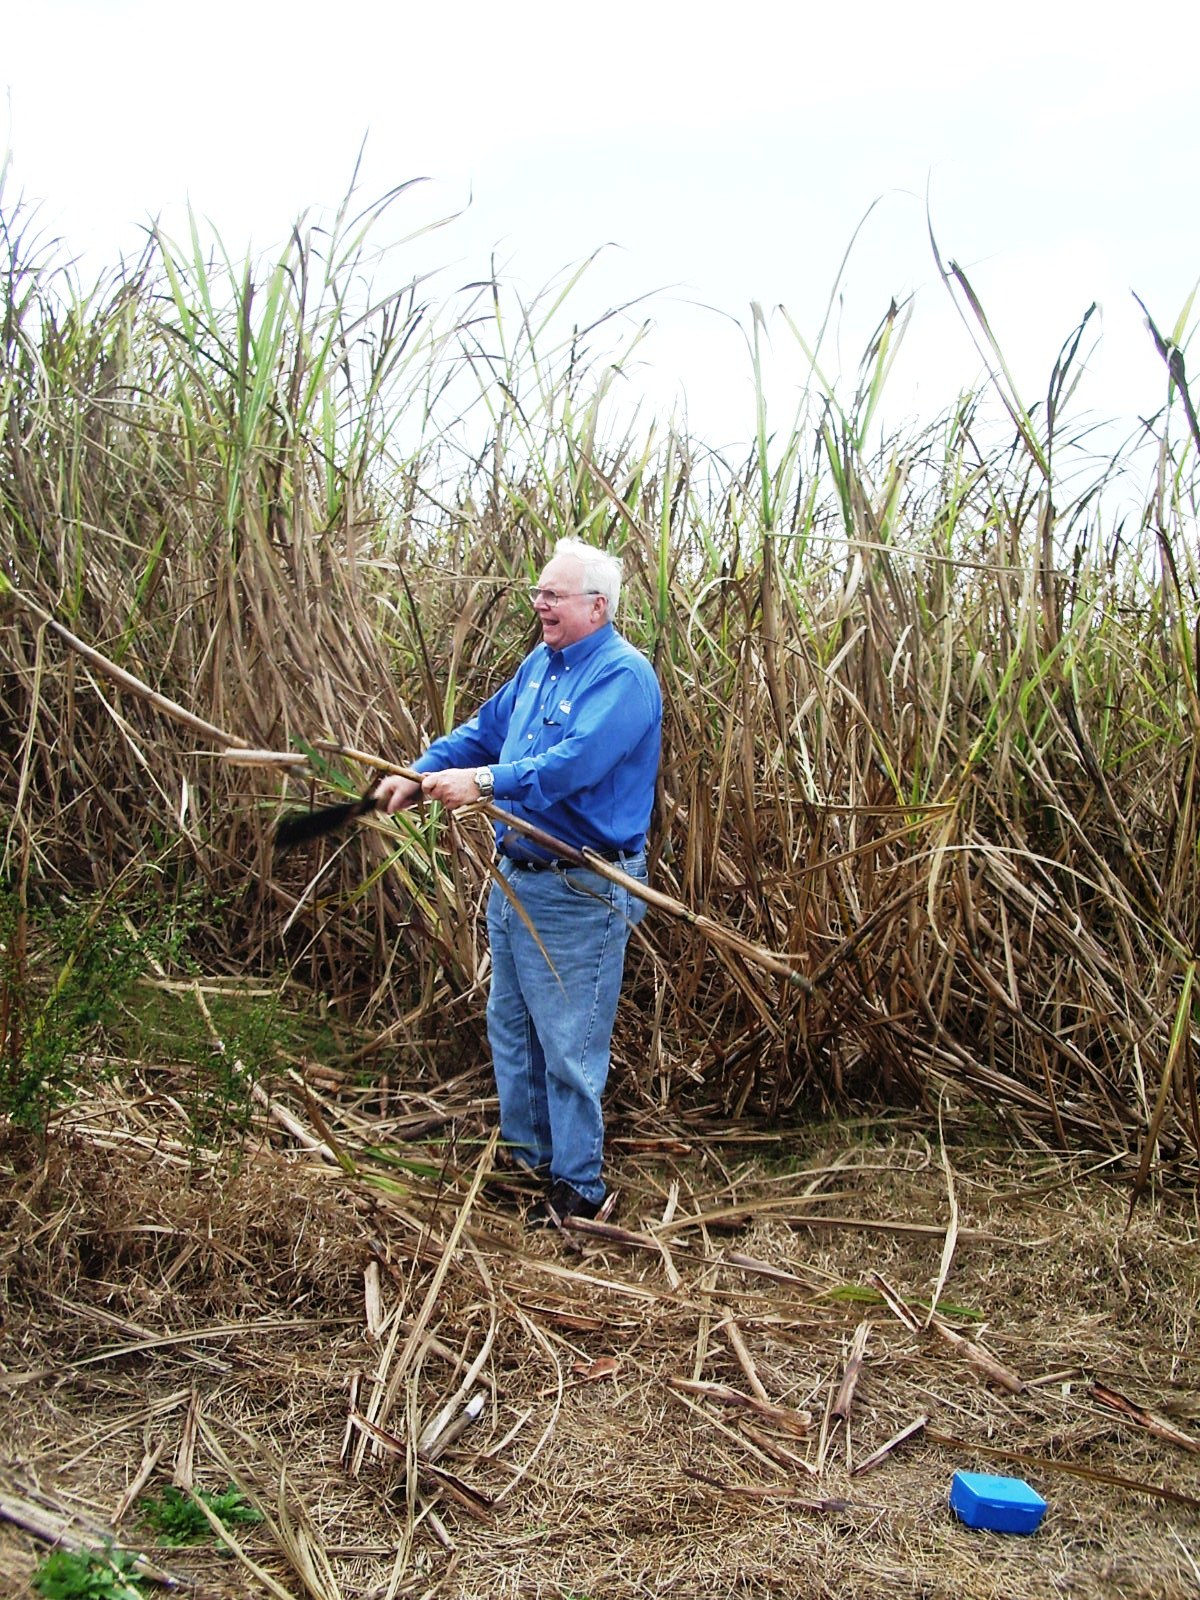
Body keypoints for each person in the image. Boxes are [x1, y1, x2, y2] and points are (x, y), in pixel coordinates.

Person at [374, 536, 662, 1224]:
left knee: (570, 1043)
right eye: (537, 592)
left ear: (597, 607)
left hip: (580, 887)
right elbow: (483, 731)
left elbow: (572, 765)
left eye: (552, 595)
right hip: (517, 881)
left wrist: (480, 784)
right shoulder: (543, 664)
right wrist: (420, 776)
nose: (539, 604)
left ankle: (578, 1191)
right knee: (510, 1026)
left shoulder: (623, 677)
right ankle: (526, 1161)